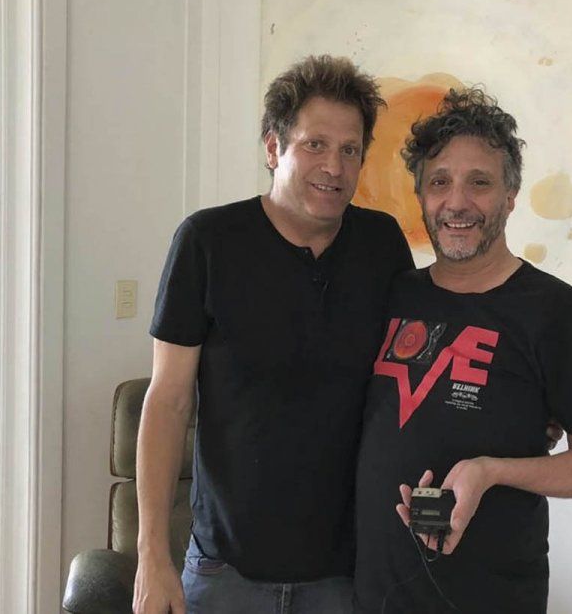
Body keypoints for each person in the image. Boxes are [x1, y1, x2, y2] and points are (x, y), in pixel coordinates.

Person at [132, 55, 413, 614]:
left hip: (346, 572)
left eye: (350, 149)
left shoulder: (382, 245)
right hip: (226, 570)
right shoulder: (207, 242)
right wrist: (151, 556)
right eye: (315, 144)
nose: (334, 166)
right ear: (273, 147)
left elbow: (417, 369)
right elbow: (167, 401)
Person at [353, 87, 572, 613]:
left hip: (492, 596)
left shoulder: (555, 311)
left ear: (510, 196)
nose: (457, 203)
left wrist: (491, 470)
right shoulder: (394, 294)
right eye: (439, 182)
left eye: (479, 182)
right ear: (420, 196)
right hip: (376, 594)